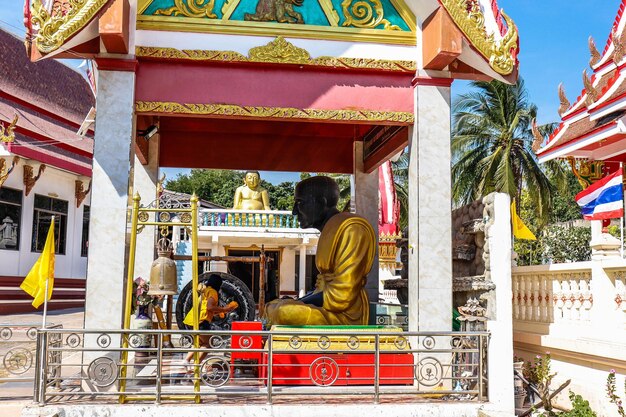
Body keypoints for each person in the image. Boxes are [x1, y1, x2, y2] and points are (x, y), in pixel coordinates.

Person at [263, 176, 376, 326]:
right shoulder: (330, 229)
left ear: (321, 203)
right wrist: (298, 302)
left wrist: (297, 303)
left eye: (300, 203)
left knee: (284, 312)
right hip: (326, 307)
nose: (294, 211)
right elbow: (321, 288)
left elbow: (342, 295)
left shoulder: (352, 229)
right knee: (272, 306)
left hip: (344, 315)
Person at [181, 274, 238, 370]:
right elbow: (210, 307)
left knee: (198, 343)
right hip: (201, 321)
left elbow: (207, 309)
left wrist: (221, 311)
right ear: (218, 284)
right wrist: (224, 308)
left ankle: (186, 361)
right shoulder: (213, 292)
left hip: (192, 319)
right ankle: (196, 365)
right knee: (208, 344)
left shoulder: (206, 291)